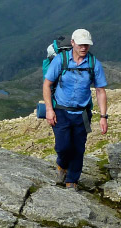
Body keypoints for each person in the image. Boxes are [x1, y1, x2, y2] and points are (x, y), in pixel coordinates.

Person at [42, 28, 108, 190]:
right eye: (80, 44)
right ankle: (61, 164)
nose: (84, 47)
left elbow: (100, 91)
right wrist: (50, 110)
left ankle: (72, 180)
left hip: (83, 113)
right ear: (73, 43)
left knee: (78, 148)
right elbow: (47, 84)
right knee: (63, 147)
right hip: (61, 111)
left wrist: (103, 116)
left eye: (87, 45)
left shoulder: (93, 63)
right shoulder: (61, 60)